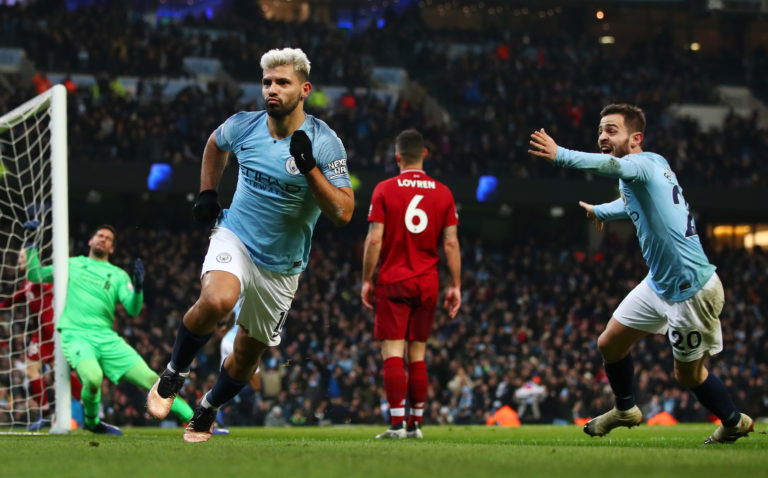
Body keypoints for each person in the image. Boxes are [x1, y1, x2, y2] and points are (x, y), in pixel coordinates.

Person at [146, 47, 354, 443]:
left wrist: (310, 170)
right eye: (267, 83)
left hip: (283, 265)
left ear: (304, 89)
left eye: (282, 83)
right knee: (217, 301)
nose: (271, 90)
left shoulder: (326, 143)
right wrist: (208, 191)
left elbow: (344, 212)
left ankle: (207, 408)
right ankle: (174, 373)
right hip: (236, 236)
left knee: (245, 356)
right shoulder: (244, 126)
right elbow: (214, 144)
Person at [528, 103, 754, 444]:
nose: (603, 137)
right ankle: (625, 409)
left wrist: (561, 155)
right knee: (610, 343)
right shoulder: (653, 165)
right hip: (659, 282)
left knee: (689, 375)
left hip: (691, 288)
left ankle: (734, 422)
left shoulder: (639, 164)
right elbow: (631, 204)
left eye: (611, 131)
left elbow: (607, 164)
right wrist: (602, 210)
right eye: (600, 131)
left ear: (636, 138)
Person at [23, 225, 198, 435]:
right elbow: (35, 275)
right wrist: (31, 245)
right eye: (99, 235)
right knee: (93, 378)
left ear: (112, 248)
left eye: (108, 238)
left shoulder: (118, 275)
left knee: (152, 379)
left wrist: (139, 288)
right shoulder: (73, 264)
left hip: (107, 339)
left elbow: (133, 309)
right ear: (90, 240)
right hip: (76, 335)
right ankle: (92, 421)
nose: (102, 239)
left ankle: (195, 421)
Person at [361, 129, 461, 439]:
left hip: (393, 280)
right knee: (418, 354)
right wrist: (455, 285)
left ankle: (396, 424)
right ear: (425, 155)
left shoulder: (384, 189)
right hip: (428, 282)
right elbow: (451, 244)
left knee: (393, 352)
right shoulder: (443, 193)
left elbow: (375, 238)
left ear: (397, 157)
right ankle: (416, 424)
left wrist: (366, 279)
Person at [0, 279, 83, 430]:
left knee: (59, 372)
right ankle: (46, 414)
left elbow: (53, 288)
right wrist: (3, 305)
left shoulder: (42, 279)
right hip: (41, 334)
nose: (20, 258)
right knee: (34, 370)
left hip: (52, 331)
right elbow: (18, 297)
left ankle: (83, 404)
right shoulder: (27, 283)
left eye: (23, 256)